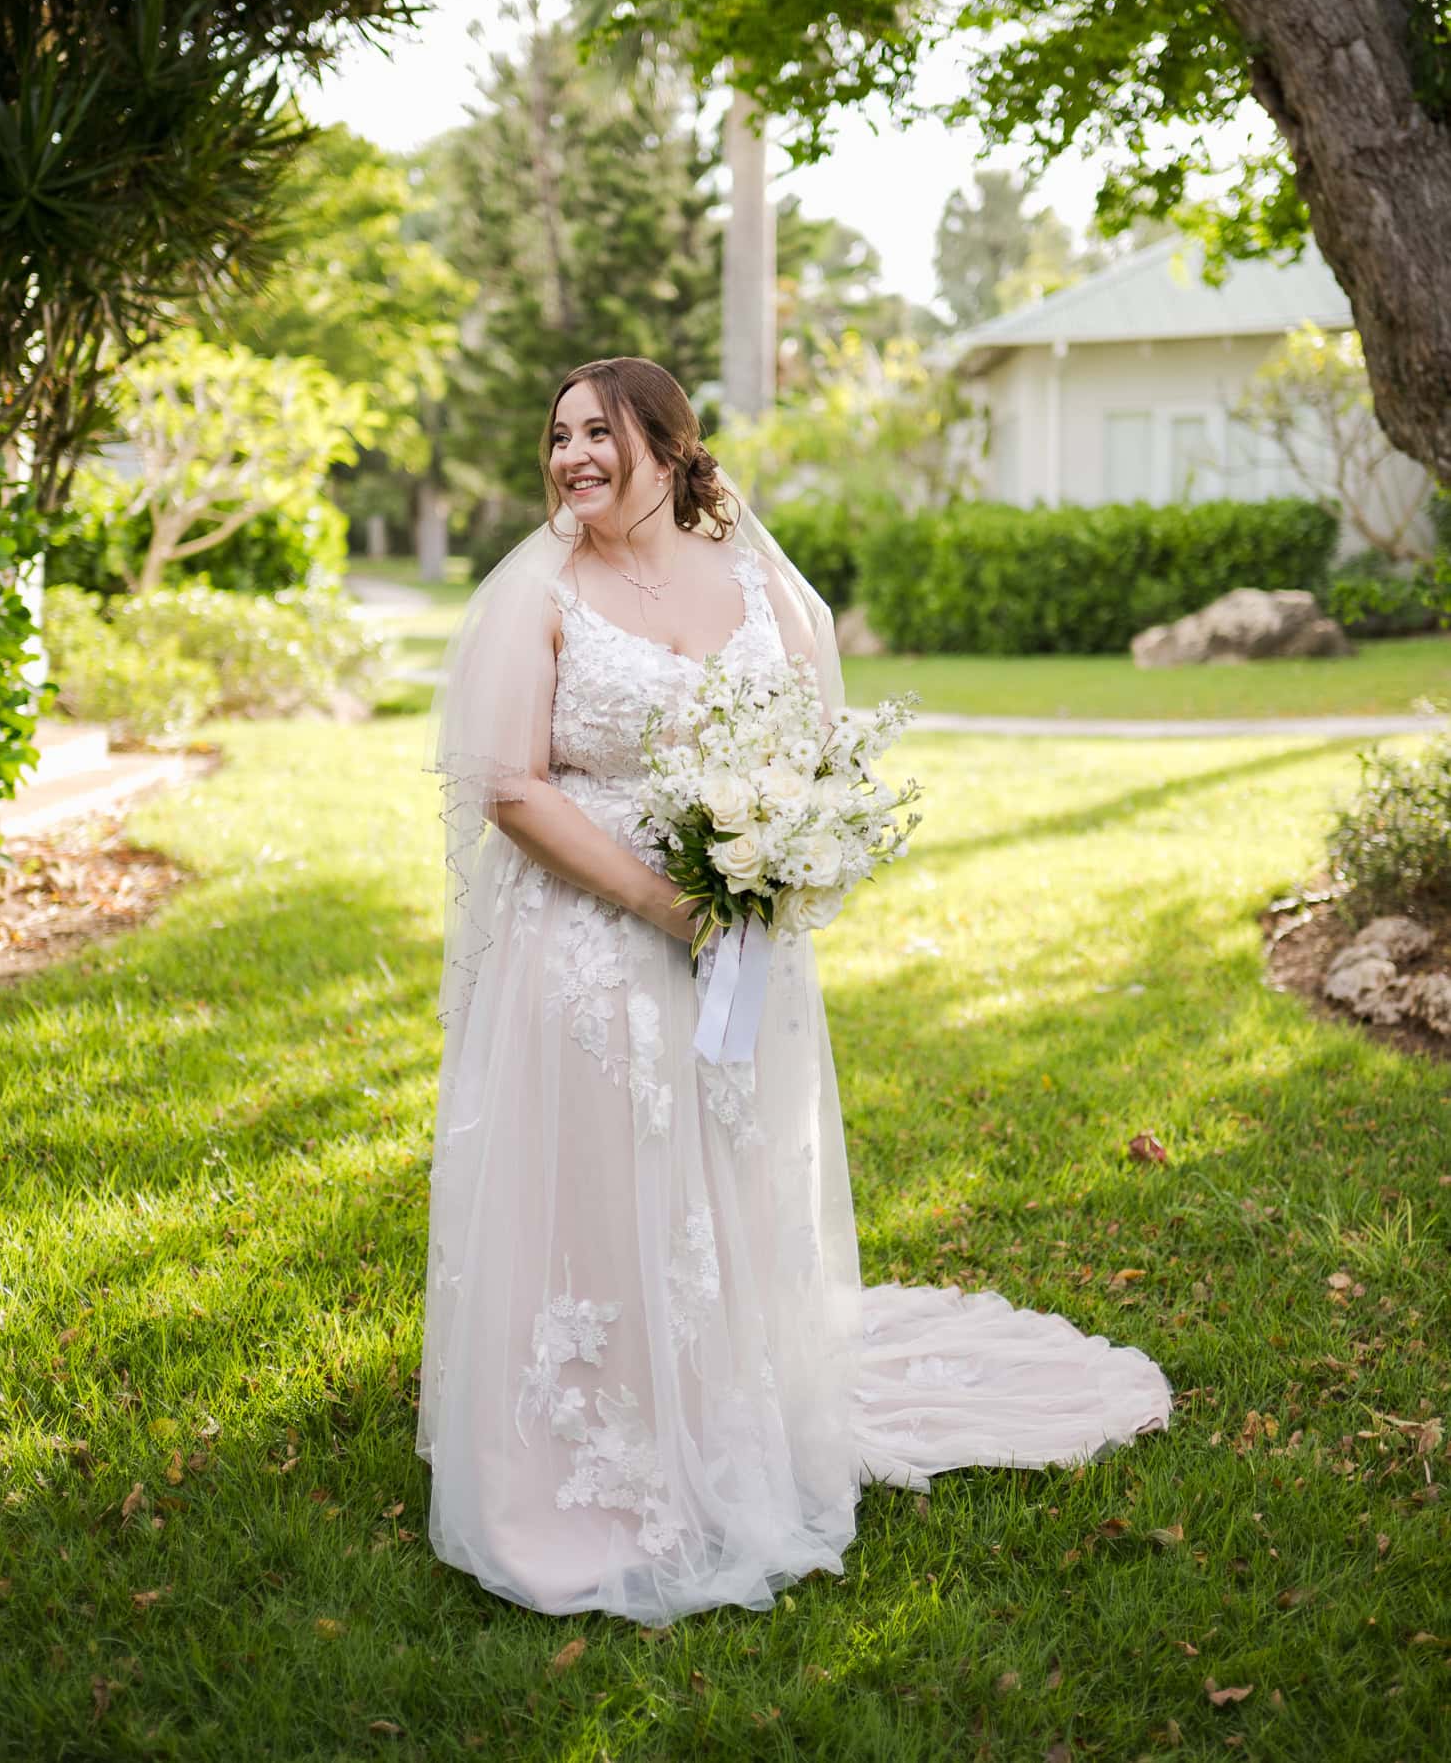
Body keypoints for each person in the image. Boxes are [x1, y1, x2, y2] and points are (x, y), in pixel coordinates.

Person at [418, 355, 1172, 1623]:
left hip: (744, 950)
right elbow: (509, 788)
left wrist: (779, 870)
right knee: (607, 1191)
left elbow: (822, 767)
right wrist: (670, 904)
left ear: (666, 445)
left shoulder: (765, 586)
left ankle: (725, 1399)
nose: (572, 458)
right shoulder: (539, 594)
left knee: (728, 1180)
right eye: (557, 439)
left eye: (599, 433)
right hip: (592, 947)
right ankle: (594, 1439)